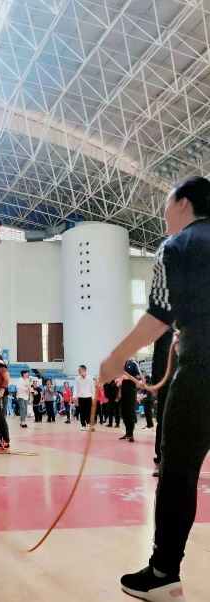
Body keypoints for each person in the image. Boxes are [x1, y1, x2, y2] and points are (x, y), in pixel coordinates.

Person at [100, 175, 210, 601]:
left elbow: (159, 315)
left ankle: (164, 573)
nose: (164, 215)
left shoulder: (177, 246)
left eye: (166, 204)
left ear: (183, 203)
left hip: (202, 372)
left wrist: (115, 357)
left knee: (178, 471)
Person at [152, 328, 178, 477]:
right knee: (163, 421)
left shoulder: (192, 329)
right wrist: (155, 383)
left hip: (186, 381)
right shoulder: (162, 332)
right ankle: (161, 461)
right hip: (165, 382)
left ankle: (182, 463)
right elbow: (156, 359)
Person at [119, 359, 140, 443]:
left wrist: (128, 377)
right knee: (124, 412)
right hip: (123, 390)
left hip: (131, 390)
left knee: (130, 411)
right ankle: (127, 432)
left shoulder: (133, 363)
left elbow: (139, 376)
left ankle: (131, 433)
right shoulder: (122, 364)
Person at [74, 365, 95, 431]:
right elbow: (75, 388)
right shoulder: (77, 379)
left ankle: (89, 424)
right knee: (82, 412)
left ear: (84, 370)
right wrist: (75, 397)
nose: (78, 371)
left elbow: (92, 389)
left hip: (88, 397)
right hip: (81, 397)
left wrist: (93, 398)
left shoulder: (90, 378)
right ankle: (83, 425)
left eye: (79, 370)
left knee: (88, 412)